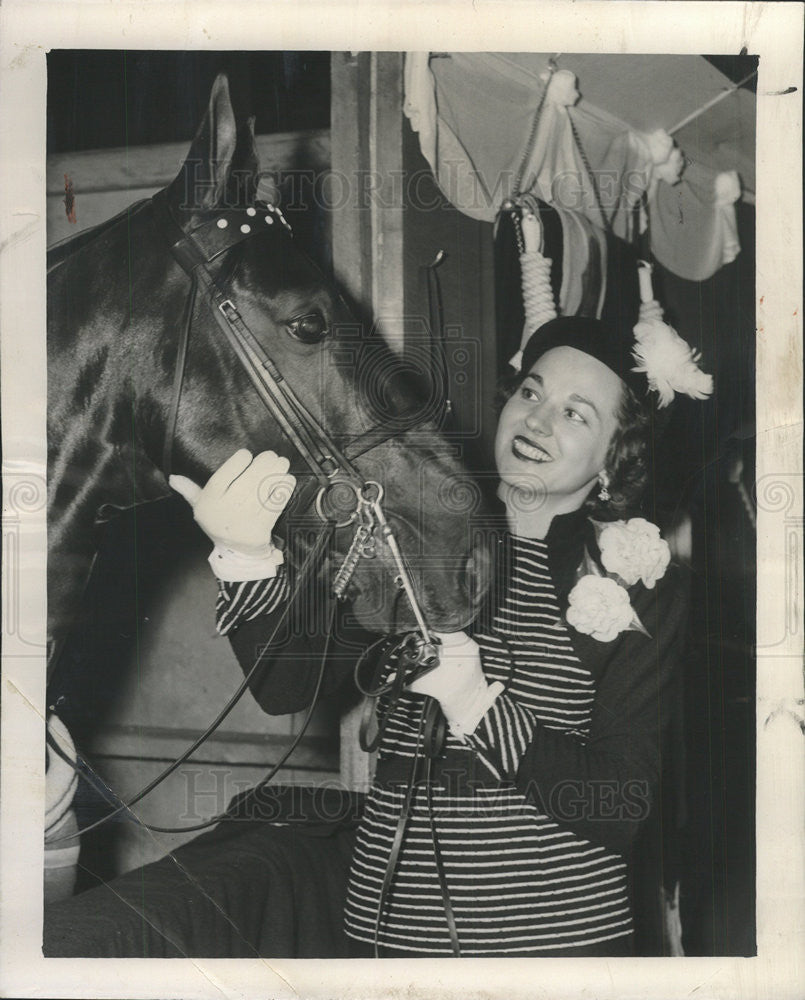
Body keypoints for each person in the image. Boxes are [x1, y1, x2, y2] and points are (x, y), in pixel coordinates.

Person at [171, 314, 709, 957]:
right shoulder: (415, 541)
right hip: (390, 938)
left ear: (615, 456)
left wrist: (478, 707)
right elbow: (286, 683)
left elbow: (621, 805)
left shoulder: (639, 588)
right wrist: (245, 555)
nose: (536, 422)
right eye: (531, 393)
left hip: (550, 951)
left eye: (576, 414)